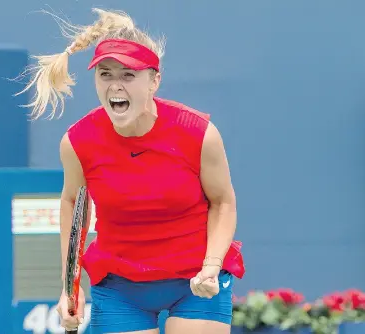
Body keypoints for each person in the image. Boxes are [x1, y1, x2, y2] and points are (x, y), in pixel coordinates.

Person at [21, 8, 245, 334]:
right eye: (106, 74)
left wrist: (211, 267)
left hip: (196, 279)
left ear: (155, 81)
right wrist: (69, 287)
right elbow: (72, 203)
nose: (115, 85)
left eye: (129, 75)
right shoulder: (78, 142)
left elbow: (223, 202)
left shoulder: (197, 133)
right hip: (121, 286)